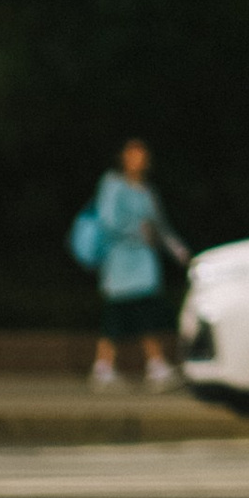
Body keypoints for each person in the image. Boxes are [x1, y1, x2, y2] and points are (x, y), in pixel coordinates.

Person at [79, 139, 190, 391]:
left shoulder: (147, 191)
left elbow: (161, 228)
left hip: (143, 264)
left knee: (141, 311)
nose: (138, 160)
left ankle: (133, 366)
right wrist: (137, 232)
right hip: (119, 261)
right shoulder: (112, 185)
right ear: (123, 158)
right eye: (133, 154)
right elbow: (108, 221)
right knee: (120, 314)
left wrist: (179, 251)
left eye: (142, 155)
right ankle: (135, 367)